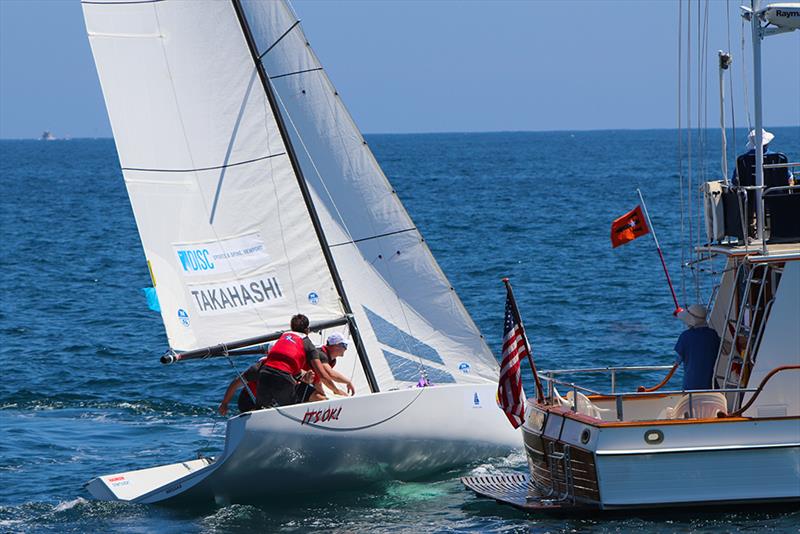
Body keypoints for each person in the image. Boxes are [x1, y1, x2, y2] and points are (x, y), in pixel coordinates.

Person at [256, 314, 319, 408]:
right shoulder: (306, 343)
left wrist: (225, 403)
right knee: (291, 406)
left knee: (262, 407)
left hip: (265, 374)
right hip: (282, 378)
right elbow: (322, 373)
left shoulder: (261, 365)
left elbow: (237, 382)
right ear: (307, 330)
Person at [672, 304, 721, 390]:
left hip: (690, 386)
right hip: (710, 386)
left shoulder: (685, 336)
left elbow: (677, 362)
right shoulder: (713, 335)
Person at [304, 332, 356, 401]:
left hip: (307, 382)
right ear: (336, 346)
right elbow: (329, 374)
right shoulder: (321, 354)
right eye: (344, 345)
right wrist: (345, 384)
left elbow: (318, 380)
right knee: (323, 400)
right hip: (298, 382)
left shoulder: (332, 360)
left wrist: (322, 393)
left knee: (323, 399)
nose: (346, 349)